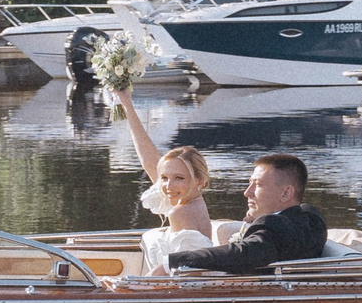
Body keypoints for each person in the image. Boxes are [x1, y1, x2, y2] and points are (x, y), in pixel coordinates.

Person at [166, 153, 327, 274]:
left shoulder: (275, 229)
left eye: (258, 185)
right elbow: (306, 208)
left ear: (286, 193)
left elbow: (243, 253)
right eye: (250, 183)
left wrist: (173, 261)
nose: (247, 192)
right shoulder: (312, 220)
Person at [114, 86, 213, 265]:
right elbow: (150, 161)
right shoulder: (190, 203)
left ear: (199, 181)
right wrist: (127, 104)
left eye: (179, 178)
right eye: (165, 178)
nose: (168, 186)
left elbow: (183, 272)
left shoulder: (181, 212)